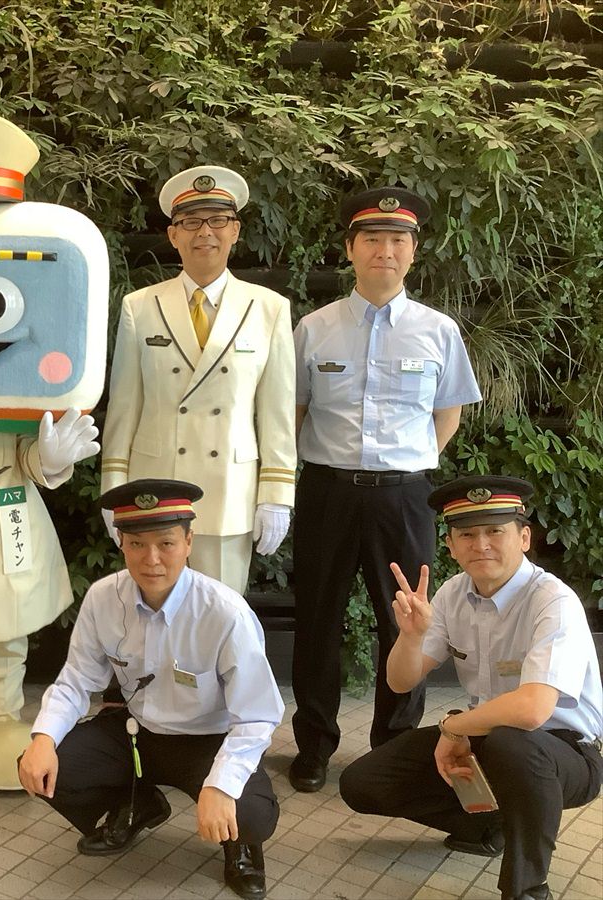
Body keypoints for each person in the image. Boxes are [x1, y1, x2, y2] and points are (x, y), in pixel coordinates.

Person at [289, 186, 482, 792]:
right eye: (372, 238)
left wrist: (411, 464)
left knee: (406, 622)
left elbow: (448, 413)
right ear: (350, 249)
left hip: (404, 497)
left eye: (398, 239)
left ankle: (393, 747)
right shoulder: (314, 328)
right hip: (328, 491)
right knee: (317, 620)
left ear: (413, 252)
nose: (385, 250)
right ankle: (314, 745)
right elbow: (294, 411)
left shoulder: (438, 331)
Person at [18, 478, 283, 900]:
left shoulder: (224, 613)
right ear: (121, 543)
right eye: (137, 544)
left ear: (189, 541)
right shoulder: (103, 598)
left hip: (207, 739)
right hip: (136, 733)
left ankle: (241, 845)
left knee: (249, 812)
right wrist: (43, 738)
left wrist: (222, 785)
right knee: (43, 767)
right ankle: (139, 805)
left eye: (166, 543)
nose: (151, 559)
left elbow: (258, 715)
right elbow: (76, 680)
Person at [339, 475, 602, 900]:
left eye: (495, 531)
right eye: (466, 534)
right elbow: (400, 681)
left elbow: (532, 710)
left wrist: (454, 727)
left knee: (512, 745)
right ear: (450, 545)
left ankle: (527, 887)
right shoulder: (453, 593)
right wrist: (410, 636)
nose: (480, 545)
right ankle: (489, 825)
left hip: (567, 751)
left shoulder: (553, 601)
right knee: (362, 782)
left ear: (524, 538)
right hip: (488, 737)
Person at [100, 165, 296, 595]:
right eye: (190, 222)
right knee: (152, 610)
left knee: (219, 615)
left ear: (235, 231)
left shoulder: (268, 308)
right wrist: (114, 485)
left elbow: (277, 413)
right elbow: (124, 406)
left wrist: (277, 493)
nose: (205, 232)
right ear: (173, 235)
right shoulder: (140, 306)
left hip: (229, 489)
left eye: (218, 220)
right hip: (154, 488)